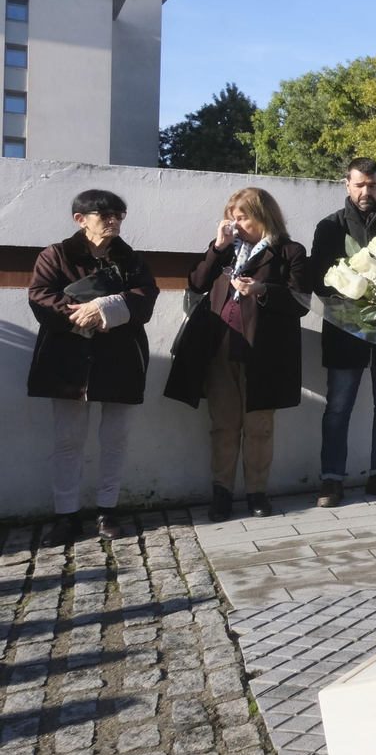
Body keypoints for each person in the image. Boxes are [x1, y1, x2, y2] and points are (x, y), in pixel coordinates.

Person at [165, 188, 313, 522]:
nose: (236, 223)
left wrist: (261, 290)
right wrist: (217, 247)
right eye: (233, 215)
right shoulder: (226, 250)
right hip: (220, 347)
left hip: (265, 353)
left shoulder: (290, 251)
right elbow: (197, 282)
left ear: (264, 216)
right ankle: (222, 493)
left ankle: (257, 492)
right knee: (224, 425)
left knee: (259, 425)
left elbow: (301, 303)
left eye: (242, 216)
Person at [28, 189, 159, 545]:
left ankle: (107, 511)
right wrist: (82, 316)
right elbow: (40, 297)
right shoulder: (54, 255)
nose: (114, 220)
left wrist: (106, 307)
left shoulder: (131, 260)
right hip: (67, 361)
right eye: (106, 215)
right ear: (80, 219)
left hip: (122, 357)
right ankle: (66, 516)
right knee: (68, 440)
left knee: (115, 439)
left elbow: (145, 299)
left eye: (119, 214)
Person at [308, 158, 376, 508]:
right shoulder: (329, 227)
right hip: (344, 334)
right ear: (347, 185)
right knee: (338, 408)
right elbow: (318, 281)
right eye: (359, 185)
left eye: (372, 185)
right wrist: (358, 294)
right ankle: (331, 480)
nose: (366, 191)